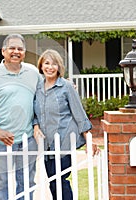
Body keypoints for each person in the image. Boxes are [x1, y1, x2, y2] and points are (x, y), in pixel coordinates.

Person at [0, 34, 42, 200]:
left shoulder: (33, 73)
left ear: (24, 52)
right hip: (1, 141)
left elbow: (43, 99)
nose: (16, 52)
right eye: (12, 48)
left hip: (28, 139)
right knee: (2, 182)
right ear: (3, 51)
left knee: (26, 182)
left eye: (20, 49)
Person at [33, 49, 99, 200]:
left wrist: (88, 138)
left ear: (59, 67)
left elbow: (78, 112)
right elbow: (34, 114)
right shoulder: (37, 88)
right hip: (46, 144)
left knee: (60, 181)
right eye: (47, 63)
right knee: (52, 182)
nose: (50, 67)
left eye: (54, 64)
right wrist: (36, 127)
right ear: (41, 66)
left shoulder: (66, 87)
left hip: (63, 141)